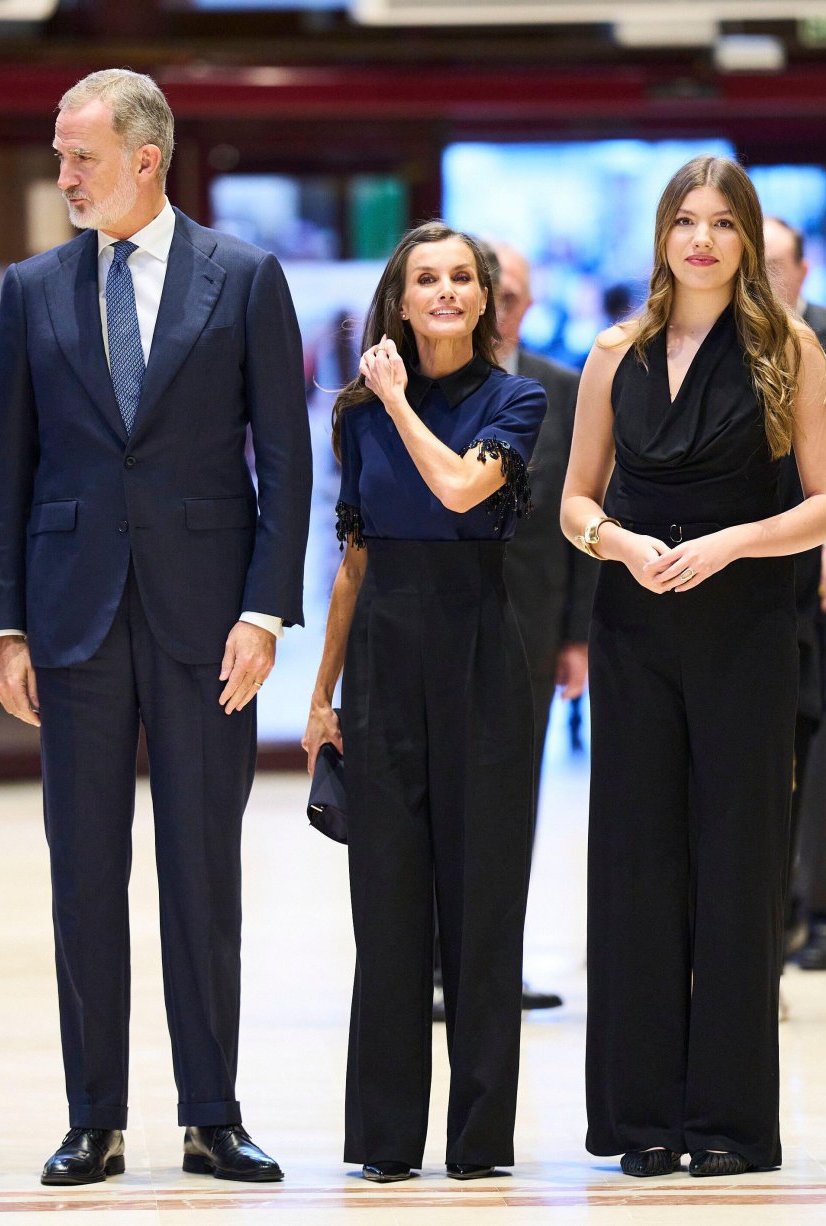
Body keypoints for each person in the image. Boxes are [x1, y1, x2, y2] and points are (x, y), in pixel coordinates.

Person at [0, 69, 311, 1186]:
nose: (63, 175)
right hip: (71, 619)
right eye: (60, 156)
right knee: (83, 872)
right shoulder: (33, 289)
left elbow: (288, 458)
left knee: (202, 870)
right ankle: (94, 1116)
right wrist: (5, 627)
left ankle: (211, 1113)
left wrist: (266, 608)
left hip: (208, 619)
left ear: (147, 158)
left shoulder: (246, 277)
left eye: (81, 157)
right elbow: (5, 468)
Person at [562, 155, 826, 1179]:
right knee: (637, 865)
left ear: (747, 239)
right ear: (661, 237)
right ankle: (642, 1116)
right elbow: (574, 501)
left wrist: (731, 541)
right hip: (637, 628)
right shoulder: (614, 351)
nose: (703, 240)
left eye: (724, 224)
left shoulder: (790, 349)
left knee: (737, 866)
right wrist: (624, 543)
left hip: (746, 625)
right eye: (686, 221)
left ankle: (728, 1121)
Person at [302, 222, 546, 1183]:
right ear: (399, 302)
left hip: (484, 662)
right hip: (385, 664)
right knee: (388, 911)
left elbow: (456, 491)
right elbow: (354, 565)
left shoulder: (514, 401)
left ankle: (480, 1145)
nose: (444, 292)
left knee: (482, 912)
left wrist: (399, 401)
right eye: (424, 279)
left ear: (484, 298)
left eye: (460, 278)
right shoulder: (357, 415)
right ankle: (386, 1144)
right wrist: (322, 692)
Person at [491, 241, 597, 1011]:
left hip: (530, 623)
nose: (497, 306)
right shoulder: (421, 385)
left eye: (509, 295)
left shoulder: (564, 387)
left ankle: (496, 965)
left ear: (527, 304)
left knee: (510, 799)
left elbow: (584, 511)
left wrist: (576, 635)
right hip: (437, 621)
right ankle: (429, 962)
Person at [764, 215, 826, 972]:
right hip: (750, 573)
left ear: (803, 269)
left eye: (774, 264)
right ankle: (774, 914)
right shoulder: (716, 342)